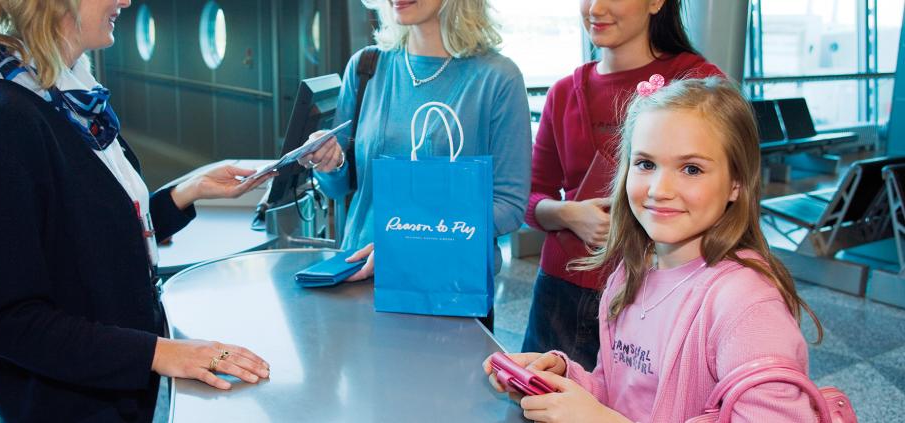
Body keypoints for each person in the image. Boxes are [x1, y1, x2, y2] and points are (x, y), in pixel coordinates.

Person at [0, 1, 271, 421]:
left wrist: (188, 191)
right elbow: (8, 319)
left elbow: (90, 235)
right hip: (67, 405)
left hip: (111, 387)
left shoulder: (67, 102)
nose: (125, 1)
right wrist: (161, 352)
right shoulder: (1, 130)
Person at [484, 77, 825, 422]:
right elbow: (620, 396)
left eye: (691, 169)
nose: (660, 190)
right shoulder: (629, 275)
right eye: (646, 164)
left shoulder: (746, 304)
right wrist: (565, 381)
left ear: (736, 182)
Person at [521, 0, 724, 369]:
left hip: (657, 289)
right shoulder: (564, 92)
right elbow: (531, 197)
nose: (596, 8)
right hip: (563, 287)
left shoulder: (699, 84)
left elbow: (724, 183)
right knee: (541, 391)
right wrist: (569, 214)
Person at [297, 0, 532, 284]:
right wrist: (329, 162)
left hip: (448, 283)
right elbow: (339, 188)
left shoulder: (498, 78)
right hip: (358, 271)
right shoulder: (366, 67)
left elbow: (508, 206)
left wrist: (408, 244)